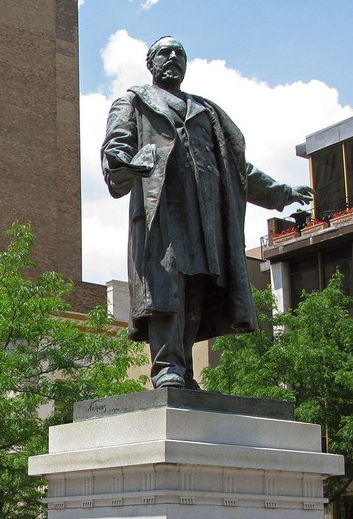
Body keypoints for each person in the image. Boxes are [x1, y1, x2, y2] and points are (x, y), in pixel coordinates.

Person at [101, 36, 313, 389]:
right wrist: (129, 162)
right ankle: (166, 367)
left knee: (196, 290)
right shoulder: (133, 102)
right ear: (150, 63)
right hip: (162, 217)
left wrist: (282, 193)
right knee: (166, 289)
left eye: (179, 53)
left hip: (204, 219)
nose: (172, 58)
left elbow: (237, 169)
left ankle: (183, 371)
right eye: (164, 53)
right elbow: (116, 149)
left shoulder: (207, 113)